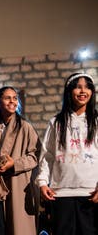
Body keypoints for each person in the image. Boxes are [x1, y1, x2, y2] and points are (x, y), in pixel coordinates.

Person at [36, 73, 98, 235]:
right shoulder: (56, 122)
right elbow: (47, 156)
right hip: (61, 193)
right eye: (78, 87)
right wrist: (42, 182)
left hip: (91, 193)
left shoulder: (96, 121)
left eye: (87, 87)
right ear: (69, 91)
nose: (83, 91)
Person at [0, 86, 40, 235]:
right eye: (7, 98)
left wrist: (14, 164)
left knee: (18, 227)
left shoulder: (25, 127)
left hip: (19, 183)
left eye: (15, 98)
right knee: (0, 227)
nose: (12, 101)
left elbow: (35, 156)